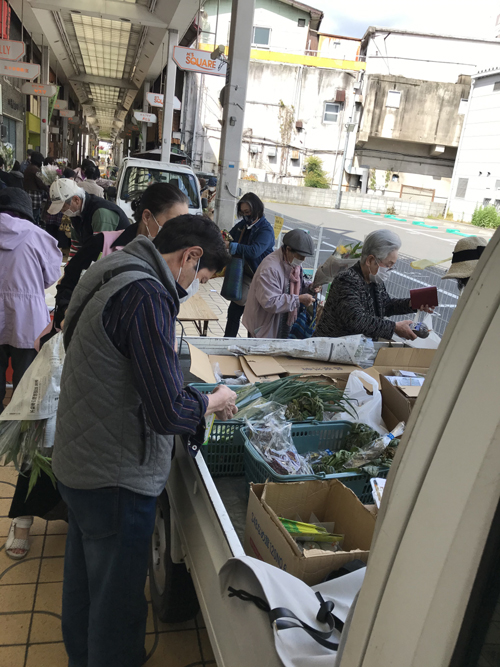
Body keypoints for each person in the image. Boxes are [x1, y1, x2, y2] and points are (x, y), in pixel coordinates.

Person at [52, 215, 236, 667]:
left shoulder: (114, 268)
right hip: (114, 475)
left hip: (79, 458)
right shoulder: (147, 295)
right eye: (202, 276)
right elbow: (168, 412)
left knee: (86, 585)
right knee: (117, 606)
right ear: (190, 256)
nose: (197, 286)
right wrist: (213, 400)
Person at [0, 189, 62, 559]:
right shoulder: (38, 236)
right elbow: (51, 277)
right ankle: (18, 433)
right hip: (26, 318)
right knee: (28, 390)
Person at [53, 182, 189, 328]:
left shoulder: (171, 259)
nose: (178, 231)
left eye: (183, 225)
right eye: (173, 223)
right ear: (147, 216)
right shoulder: (103, 244)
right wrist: (67, 314)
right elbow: (68, 283)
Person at [314, 229, 432, 341]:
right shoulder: (346, 280)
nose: (389, 270)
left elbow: (385, 306)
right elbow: (357, 320)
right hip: (330, 347)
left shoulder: (374, 280)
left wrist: (412, 303)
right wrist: (394, 327)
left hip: (355, 348)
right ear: (370, 260)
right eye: (388, 265)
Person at [242, 228, 317, 338]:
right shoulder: (270, 268)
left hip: (283, 324)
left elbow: (297, 286)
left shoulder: (293, 264)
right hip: (264, 328)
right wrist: (298, 299)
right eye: (300, 256)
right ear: (288, 249)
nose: (303, 260)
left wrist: (310, 287)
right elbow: (270, 302)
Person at [223, 193, 275, 337]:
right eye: (243, 213)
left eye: (248, 212)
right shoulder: (243, 226)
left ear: (257, 209)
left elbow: (254, 251)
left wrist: (231, 246)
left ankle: (249, 347)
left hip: (260, 279)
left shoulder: (266, 230)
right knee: (234, 312)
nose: (246, 216)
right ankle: (227, 343)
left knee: (253, 319)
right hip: (244, 275)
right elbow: (230, 236)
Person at [47, 177, 130, 257]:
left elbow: (99, 252)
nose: (62, 211)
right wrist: (71, 264)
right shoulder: (75, 214)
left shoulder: (100, 213)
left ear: (76, 200)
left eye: (63, 207)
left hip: (119, 258)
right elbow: (76, 246)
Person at [23, 151, 49, 225]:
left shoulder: (28, 168)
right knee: (35, 216)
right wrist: (48, 189)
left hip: (27, 193)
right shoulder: (35, 170)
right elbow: (40, 183)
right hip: (34, 195)